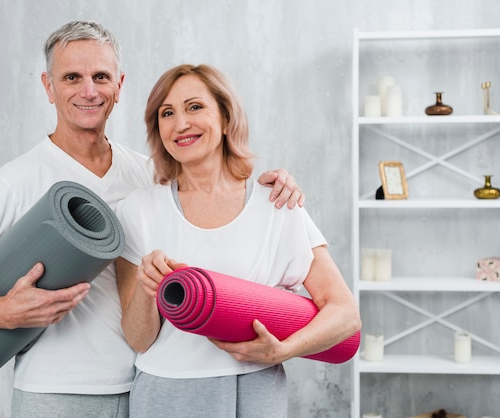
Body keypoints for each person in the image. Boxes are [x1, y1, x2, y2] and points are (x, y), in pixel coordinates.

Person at [0, 21, 306, 418]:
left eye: (100, 77)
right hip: (55, 392)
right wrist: (2, 311)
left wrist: (275, 187)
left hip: (140, 387)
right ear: (49, 87)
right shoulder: (17, 180)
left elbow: (209, 197)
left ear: (118, 85)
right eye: (72, 77)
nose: (89, 91)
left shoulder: (145, 173)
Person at [115, 63, 362, 418]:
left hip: (254, 390)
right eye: (166, 113)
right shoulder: (137, 209)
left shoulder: (276, 204)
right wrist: (146, 287)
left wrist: (284, 350)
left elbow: (345, 314)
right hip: (165, 394)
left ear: (227, 117)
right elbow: (138, 339)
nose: (180, 123)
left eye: (195, 107)